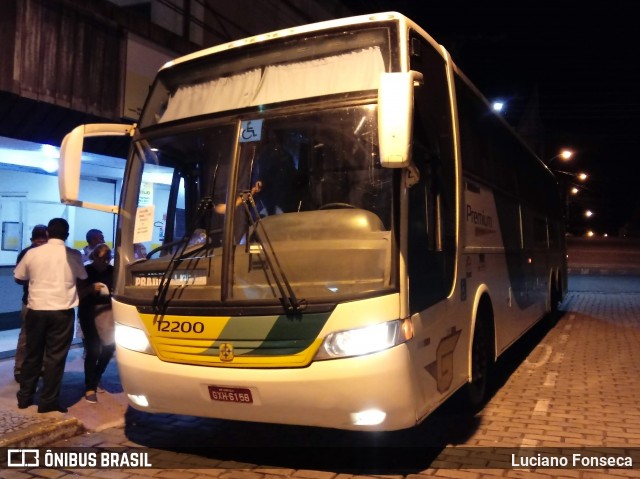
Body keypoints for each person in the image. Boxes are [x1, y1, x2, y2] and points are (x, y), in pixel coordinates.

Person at [14, 217, 88, 413]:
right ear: (67, 234)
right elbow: (83, 277)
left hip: (36, 310)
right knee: (55, 358)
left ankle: (24, 397)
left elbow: (18, 277)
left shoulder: (32, 253)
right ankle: (48, 402)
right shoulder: (73, 255)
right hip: (62, 312)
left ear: (47, 233)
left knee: (32, 354)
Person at [78, 243, 115, 403]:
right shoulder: (86, 271)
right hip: (89, 312)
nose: (104, 262)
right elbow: (78, 295)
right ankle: (89, 387)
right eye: (101, 259)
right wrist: (90, 288)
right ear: (93, 257)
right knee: (93, 350)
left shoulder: (113, 271)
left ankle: (97, 376)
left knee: (109, 348)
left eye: (107, 259)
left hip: (108, 312)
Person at [13, 224, 48, 383]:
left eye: (43, 239)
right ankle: (21, 367)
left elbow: (18, 279)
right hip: (33, 301)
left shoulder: (28, 252)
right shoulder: (27, 253)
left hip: (36, 301)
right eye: (39, 239)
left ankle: (27, 368)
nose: (41, 242)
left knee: (31, 335)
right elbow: (18, 279)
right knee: (27, 335)